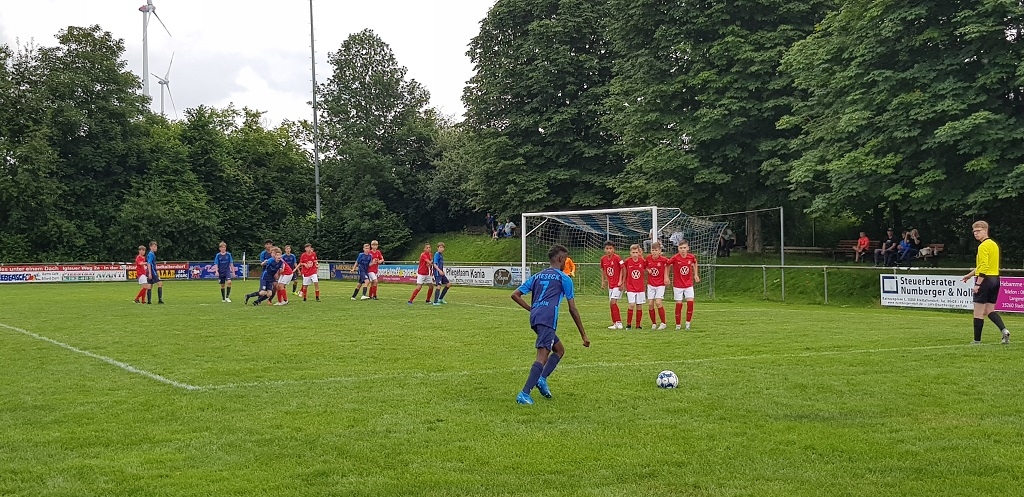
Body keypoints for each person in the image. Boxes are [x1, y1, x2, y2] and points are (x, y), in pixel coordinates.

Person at [511, 244, 590, 405]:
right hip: (547, 318)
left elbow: (515, 295)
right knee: (542, 355)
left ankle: (541, 379)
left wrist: (532, 309)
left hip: (535, 318)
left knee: (559, 350)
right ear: (560, 259)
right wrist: (583, 334)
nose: (566, 263)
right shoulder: (564, 278)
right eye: (566, 260)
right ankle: (524, 393)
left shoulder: (537, 276)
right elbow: (573, 309)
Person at [962, 221, 1010, 345]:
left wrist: (978, 284)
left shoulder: (983, 246)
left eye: (978, 231)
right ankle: (1004, 330)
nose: (976, 233)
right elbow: (982, 265)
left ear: (985, 230)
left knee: (978, 311)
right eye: (974, 231)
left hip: (985, 280)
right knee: (989, 310)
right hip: (995, 279)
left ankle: (976, 340)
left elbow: (983, 266)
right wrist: (969, 275)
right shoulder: (993, 244)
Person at [669, 240, 700, 330]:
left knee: (690, 303)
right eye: (681, 248)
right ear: (678, 249)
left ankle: (688, 323)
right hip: (677, 285)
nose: (683, 249)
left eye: (684, 248)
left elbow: (695, 263)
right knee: (679, 304)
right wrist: (666, 277)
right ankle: (678, 324)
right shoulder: (675, 258)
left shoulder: (691, 257)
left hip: (688, 284)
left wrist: (696, 274)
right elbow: (667, 264)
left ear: (688, 248)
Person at [600, 241, 626, 329]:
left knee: (613, 302)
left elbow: (623, 269)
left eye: (610, 248)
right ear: (604, 249)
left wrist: (622, 282)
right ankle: (615, 323)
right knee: (611, 304)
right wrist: (603, 281)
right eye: (607, 248)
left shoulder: (617, 258)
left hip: (617, 284)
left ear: (614, 249)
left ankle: (619, 322)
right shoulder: (603, 259)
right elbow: (603, 270)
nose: (609, 250)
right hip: (610, 284)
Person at [646, 242, 670, 330]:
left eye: (656, 250)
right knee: (650, 304)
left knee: (658, 302)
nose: (654, 252)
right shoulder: (648, 258)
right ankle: (654, 323)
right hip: (651, 284)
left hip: (660, 284)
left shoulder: (663, 259)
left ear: (660, 251)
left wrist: (666, 276)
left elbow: (668, 265)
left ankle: (663, 323)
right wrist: (648, 270)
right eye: (653, 250)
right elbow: (645, 266)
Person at [623, 244, 647, 330]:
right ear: (630, 253)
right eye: (633, 252)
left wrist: (642, 255)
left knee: (639, 305)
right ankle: (628, 324)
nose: (635, 254)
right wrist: (623, 283)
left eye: (636, 252)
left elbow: (646, 266)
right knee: (631, 304)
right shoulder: (627, 261)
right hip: (630, 286)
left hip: (640, 287)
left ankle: (638, 325)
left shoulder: (642, 261)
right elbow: (623, 271)